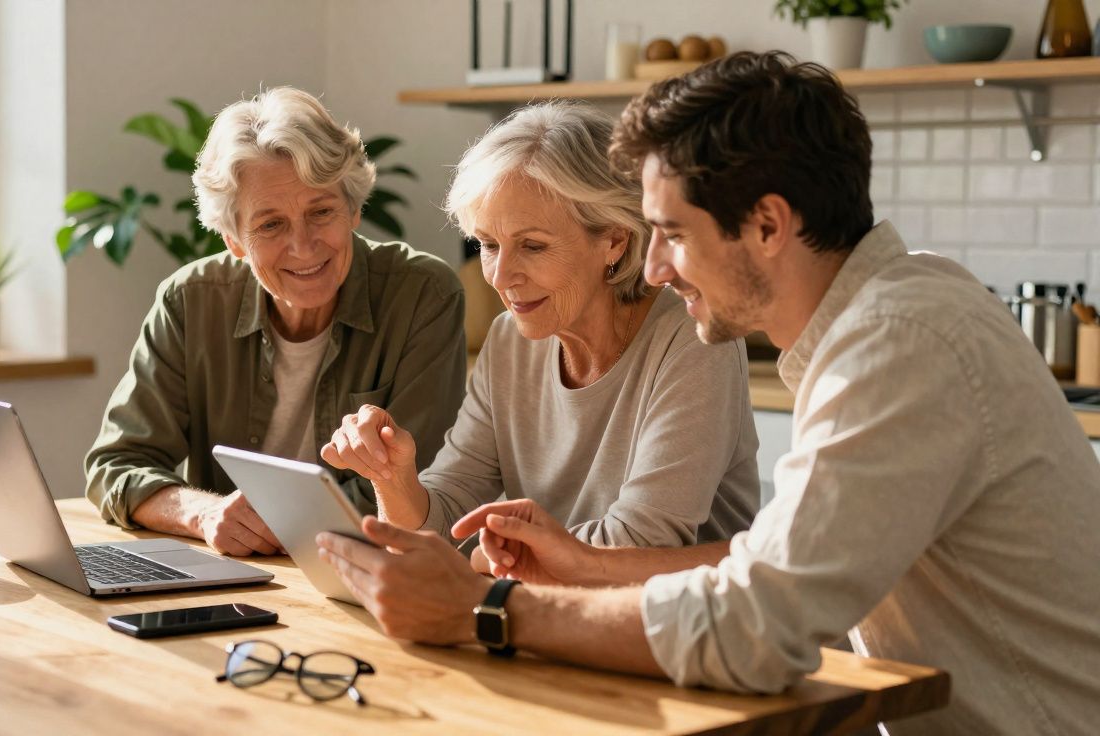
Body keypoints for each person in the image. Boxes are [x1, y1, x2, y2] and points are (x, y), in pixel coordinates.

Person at [315, 52, 1100, 734]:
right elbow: (769, 566)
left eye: (674, 233)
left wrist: (482, 611)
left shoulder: (898, 345)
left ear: (768, 226)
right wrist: (580, 564)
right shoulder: (884, 320)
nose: (654, 267)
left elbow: (755, 627)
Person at [321, 103, 759, 560]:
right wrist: (393, 478)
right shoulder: (508, 340)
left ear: (614, 240)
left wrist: (500, 556)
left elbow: (642, 541)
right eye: (488, 244)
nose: (501, 276)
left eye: (532, 246)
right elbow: (442, 520)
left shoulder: (693, 339)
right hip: (544, 597)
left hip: (678, 605)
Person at [86, 87, 467, 556]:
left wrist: (275, 523)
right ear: (233, 239)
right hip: (229, 574)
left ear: (353, 209)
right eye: (270, 225)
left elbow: (420, 492)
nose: (303, 247)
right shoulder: (190, 301)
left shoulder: (424, 297)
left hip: (362, 570)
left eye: (321, 212)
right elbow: (117, 465)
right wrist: (203, 513)